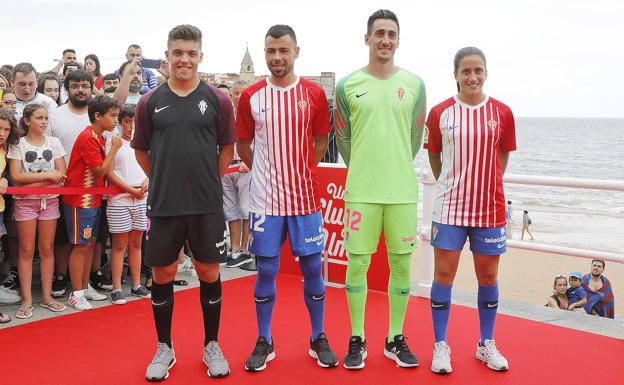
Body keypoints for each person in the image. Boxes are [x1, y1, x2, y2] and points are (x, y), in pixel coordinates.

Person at [132, 24, 235, 380]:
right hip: (164, 205)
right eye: (178, 52)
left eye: (191, 53)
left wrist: (207, 181)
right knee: (163, 273)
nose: (184, 59)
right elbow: (142, 151)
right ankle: (165, 347)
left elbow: (227, 149)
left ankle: (211, 345)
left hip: (206, 204)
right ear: (168, 56)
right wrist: (164, 179)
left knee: (209, 271)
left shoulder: (218, 100)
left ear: (200, 56)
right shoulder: (150, 102)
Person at [236, 24, 336, 372]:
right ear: (264, 54)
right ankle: (265, 339)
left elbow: (321, 140)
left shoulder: (313, 94)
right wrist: (266, 173)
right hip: (265, 201)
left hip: (304, 201)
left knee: (312, 267)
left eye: (283, 50)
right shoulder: (251, 97)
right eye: (270, 51)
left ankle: (317, 337)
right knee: (266, 269)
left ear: (296, 51)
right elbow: (244, 146)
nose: (277, 57)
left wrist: (299, 170)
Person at [335, 9, 425, 370]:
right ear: (367, 38)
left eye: (391, 34)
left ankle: (395, 337)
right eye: (379, 34)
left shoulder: (415, 84)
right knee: (357, 265)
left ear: (398, 40)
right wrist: (365, 166)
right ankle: (357, 337)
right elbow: (343, 138)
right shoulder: (348, 85)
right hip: (361, 191)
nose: (385, 40)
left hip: (401, 191)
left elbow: (415, 138)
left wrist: (394, 164)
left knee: (401, 266)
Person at [424, 46, 516, 373]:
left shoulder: (502, 113)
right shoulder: (440, 113)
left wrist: (485, 185)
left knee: (488, 276)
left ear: (486, 73)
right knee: (443, 276)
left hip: (489, 211)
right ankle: (440, 345)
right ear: (456, 75)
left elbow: (502, 159)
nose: (472, 76)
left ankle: (485, 344)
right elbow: (435, 158)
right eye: (466, 71)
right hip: (449, 209)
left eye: (478, 70)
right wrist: (453, 184)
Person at [8, 103, 68, 319]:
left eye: (45, 118)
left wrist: (31, 184)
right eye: (39, 118)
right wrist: (46, 177)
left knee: (47, 249)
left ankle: (47, 297)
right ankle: (27, 299)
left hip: (50, 202)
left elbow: (61, 175)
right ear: (26, 121)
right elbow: (16, 177)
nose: (43, 122)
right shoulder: (18, 144)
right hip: (25, 204)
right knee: (26, 250)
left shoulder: (54, 142)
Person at [64, 95, 122, 310]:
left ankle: (84, 286)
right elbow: (99, 170)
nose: (116, 120)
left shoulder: (99, 136)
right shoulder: (89, 137)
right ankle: (76, 293)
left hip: (93, 198)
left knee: (88, 245)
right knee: (81, 246)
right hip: (81, 200)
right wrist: (115, 148)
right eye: (113, 116)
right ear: (97, 116)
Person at [48, 69, 95, 298]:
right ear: (67, 88)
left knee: (89, 237)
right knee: (61, 237)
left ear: (91, 88)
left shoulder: (96, 114)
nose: (80, 89)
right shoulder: (55, 115)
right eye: (75, 85)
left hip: (93, 187)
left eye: (85, 85)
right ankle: (60, 276)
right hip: (61, 186)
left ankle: (86, 282)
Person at [105, 104, 150, 304]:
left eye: (135, 122)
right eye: (127, 121)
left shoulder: (145, 142)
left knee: (137, 243)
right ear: (121, 122)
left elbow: (152, 166)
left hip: (142, 196)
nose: (131, 126)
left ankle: (136, 284)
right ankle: (116, 287)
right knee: (119, 245)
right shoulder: (113, 142)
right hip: (120, 199)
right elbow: (109, 172)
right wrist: (130, 190)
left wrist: (147, 182)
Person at [223, 81, 252, 268]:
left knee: (245, 209)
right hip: (227, 168)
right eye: (236, 93)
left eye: (242, 93)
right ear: (231, 95)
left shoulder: (253, 116)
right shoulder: (225, 117)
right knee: (230, 210)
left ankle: (245, 249)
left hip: (244, 167)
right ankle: (234, 250)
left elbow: (260, 142)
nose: (239, 96)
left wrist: (249, 162)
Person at [0, 110, 21, 313]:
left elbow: (8, 175)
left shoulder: (5, 150)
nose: (2, 133)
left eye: (6, 129)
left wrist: (6, 177)